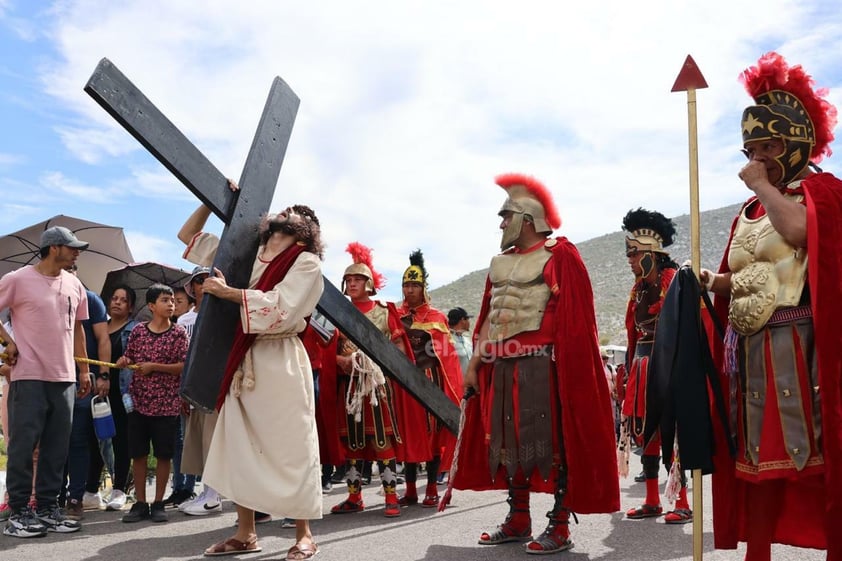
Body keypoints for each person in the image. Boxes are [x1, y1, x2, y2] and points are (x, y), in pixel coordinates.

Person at [700, 52, 842, 561]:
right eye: (750, 149)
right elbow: (744, 279)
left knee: (818, 459)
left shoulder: (822, 192)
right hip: (751, 351)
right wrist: (710, 282)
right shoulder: (750, 211)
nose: (755, 158)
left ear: (795, 144)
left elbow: (804, 234)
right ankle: (754, 553)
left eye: (766, 147)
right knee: (754, 462)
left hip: (805, 349)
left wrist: (762, 183)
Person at [453, 173, 619, 555]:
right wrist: (474, 365)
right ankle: (518, 518)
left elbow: (577, 323)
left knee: (551, 446)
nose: (500, 224)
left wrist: (570, 375)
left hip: (543, 368)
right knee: (508, 446)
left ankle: (559, 525)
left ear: (526, 219)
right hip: (502, 366)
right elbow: (488, 321)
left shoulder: (560, 255)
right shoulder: (498, 264)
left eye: (505, 216)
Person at [178, 185, 324, 560]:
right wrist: (214, 200)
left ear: (308, 229)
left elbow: (283, 308)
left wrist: (229, 294)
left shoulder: (305, 262)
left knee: (291, 444)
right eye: (286, 208)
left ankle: (305, 534)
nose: (287, 210)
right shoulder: (245, 251)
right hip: (242, 359)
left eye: (298, 212)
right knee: (239, 447)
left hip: (281, 359)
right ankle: (246, 533)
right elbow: (187, 237)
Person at [0, 226, 91, 537]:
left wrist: (84, 370)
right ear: (54, 248)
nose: (77, 251)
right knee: (23, 447)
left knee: (56, 447)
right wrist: (7, 342)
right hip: (28, 375)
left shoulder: (75, 284)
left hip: (64, 376)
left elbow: (79, 330)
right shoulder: (17, 279)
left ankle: (48, 509)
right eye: (72, 247)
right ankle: (18, 513)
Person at [325, 242, 418, 518]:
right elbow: (328, 348)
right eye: (348, 280)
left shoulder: (383, 312)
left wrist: (376, 368)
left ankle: (391, 496)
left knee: (381, 440)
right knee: (352, 443)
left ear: (369, 284)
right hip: (348, 385)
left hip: (377, 387)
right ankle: (354, 497)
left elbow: (399, 355)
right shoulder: (337, 312)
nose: (352, 283)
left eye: (358, 279)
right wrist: (339, 362)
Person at [617, 208, 690, 524]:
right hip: (642, 366)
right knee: (645, 432)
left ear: (651, 253)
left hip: (669, 366)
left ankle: (682, 501)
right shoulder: (638, 289)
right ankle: (651, 500)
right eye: (629, 254)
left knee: (672, 432)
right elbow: (634, 332)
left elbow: (688, 327)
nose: (630, 260)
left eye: (634, 253)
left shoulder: (673, 280)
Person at [115, 283, 188, 524]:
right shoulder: (138, 332)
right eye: (165, 300)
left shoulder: (179, 333)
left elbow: (182, 366)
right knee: (138, 454)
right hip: (139, 403)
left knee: (164, 454)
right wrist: (125, 360)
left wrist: (154, 367)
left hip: (167, 405)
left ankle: (158, 503)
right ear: (151, 306)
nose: (171, 304)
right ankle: (140, 503)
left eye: (173, 301)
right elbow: (131, 357)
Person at [396, 250, 462, 508]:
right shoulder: (395, 314)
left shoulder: (437, 317)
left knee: (432, 435)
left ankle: (432, 487)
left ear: (424, 288)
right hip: (404, 383)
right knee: (410, 433)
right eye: (406, 285)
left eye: (415, 285)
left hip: (431, 380)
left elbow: (447, 354)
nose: (410, 290)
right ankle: (411, 489)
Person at [63, 264, 112, 520]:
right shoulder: (45, 294)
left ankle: (75, 498)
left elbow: (103, 339)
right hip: (49, 376)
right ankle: (51, 498)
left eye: (72, 267)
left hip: (83, 379)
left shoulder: (89, 298)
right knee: (51, 440)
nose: (68, 271)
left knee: (79, 440)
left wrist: (103, 374)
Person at [177, 266, 225, 517]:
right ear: (192, 288)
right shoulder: (184, 320)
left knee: (213, 439)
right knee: (196, 440)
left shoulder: (222, 311)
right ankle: (206, 491)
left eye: (208, 280)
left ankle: (214, 495)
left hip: (215, 384)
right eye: (198, 281)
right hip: (193, 383)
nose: (203, 285)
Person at [98, 285, 139, 512]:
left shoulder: (135, 329)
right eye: (114, 298)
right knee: (96, 440)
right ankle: (92, 489)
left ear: (131, 306)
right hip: (98, 390)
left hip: (122, 392)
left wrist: (129, 357)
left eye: (123, 300)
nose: (117, 302)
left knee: (121, 441)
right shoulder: (99, 328)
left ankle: (119, 490)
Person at [447, 307, 472, 376]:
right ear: (462, 320)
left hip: (470, 383)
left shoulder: (466, 339)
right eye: (468, 319)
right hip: (456, 383)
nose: (469, 322)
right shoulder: (447, 340)